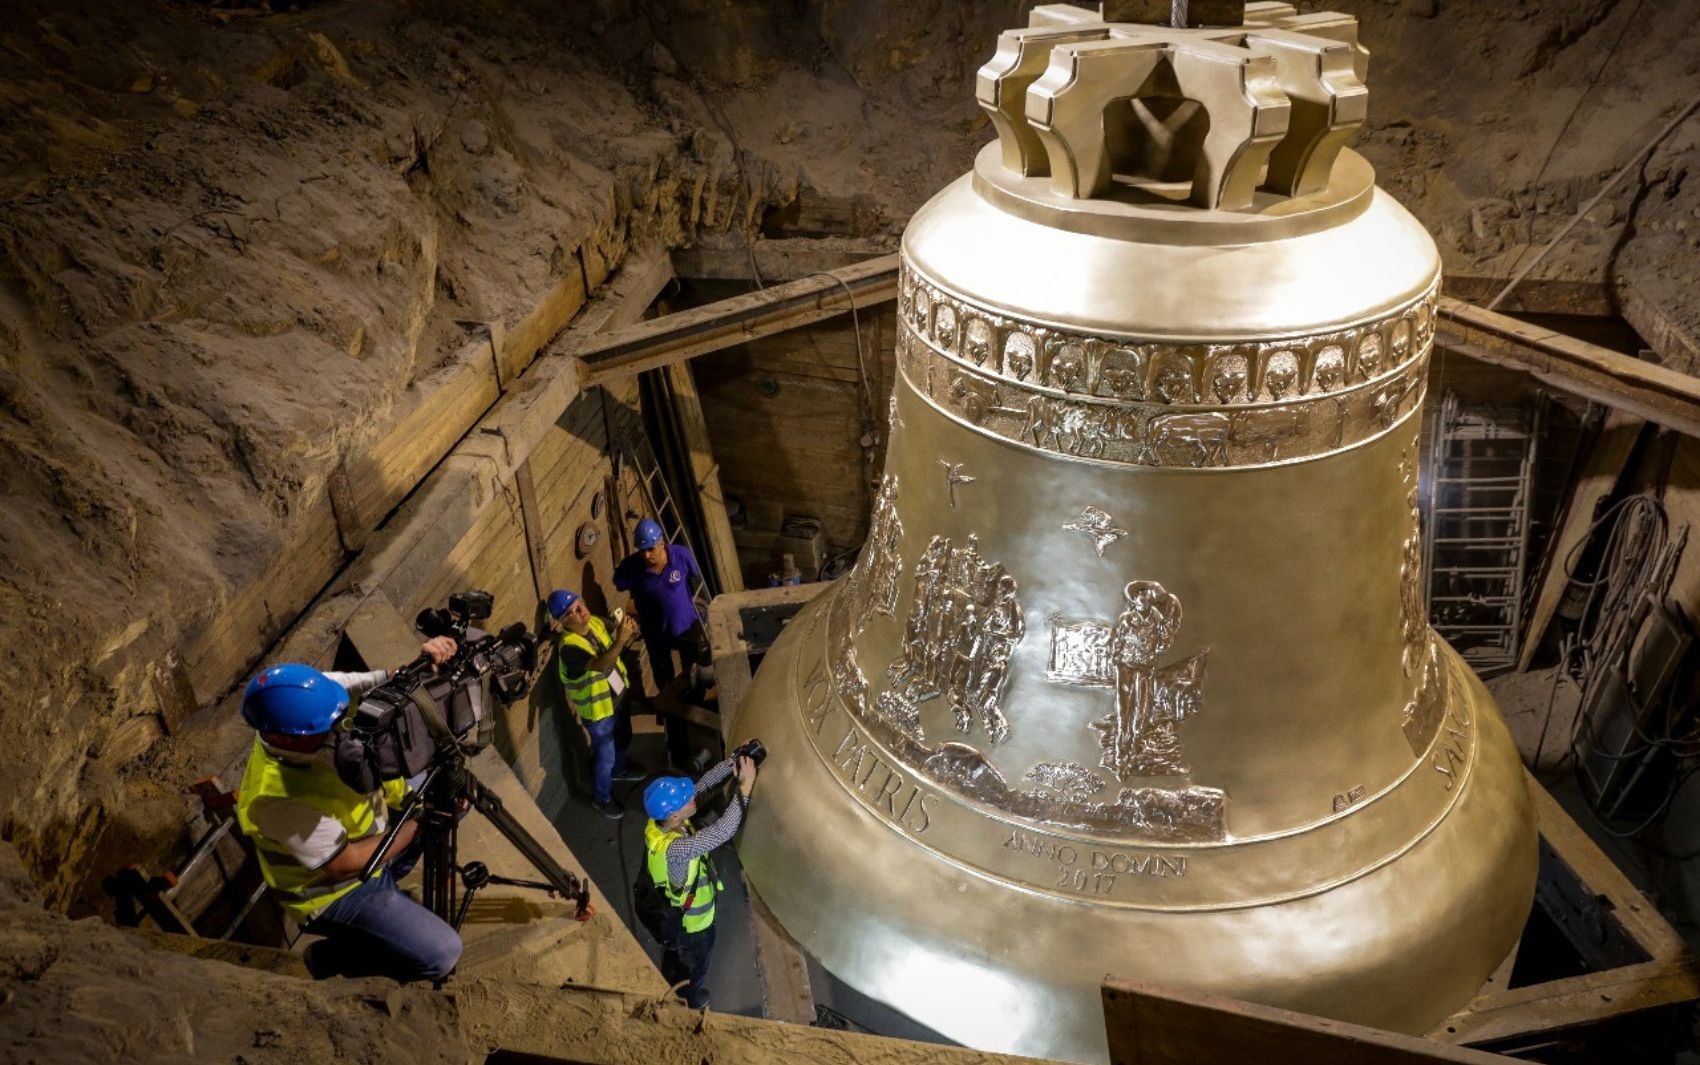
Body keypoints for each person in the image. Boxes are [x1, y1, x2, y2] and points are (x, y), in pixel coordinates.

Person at [234, 638, 463, 983]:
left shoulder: (306, 699)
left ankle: (393, 897)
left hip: (373, 833)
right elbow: (345, 863)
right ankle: (332, 957)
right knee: (441, 954)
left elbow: (365, 683)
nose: (341, 723)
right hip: (336, 890)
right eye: (330, 725)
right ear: (290, 738)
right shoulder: (274, 800)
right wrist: (421, 824)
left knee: (454, 793)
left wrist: (415, 665)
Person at [641, 748, 758, 1009]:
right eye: (686, 799)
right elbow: (723, 831)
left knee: (676, 960)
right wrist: (745, 788)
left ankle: (672, 977)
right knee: (695, 965)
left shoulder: (659, 823)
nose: (692, 797)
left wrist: (733, 761)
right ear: (674, 815)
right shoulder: (677, 850)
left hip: (678, 920)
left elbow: (703, 786)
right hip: (694, 926)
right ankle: (689, 1000)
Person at [615, 518, 706, 769]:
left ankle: (694, 707)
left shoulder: (681, 556)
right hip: (655, 631)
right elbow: (619, 583)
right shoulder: (631, 567)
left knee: (694, 668)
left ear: (662, 543)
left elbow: (695, 579)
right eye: (642, 550)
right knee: (662, 671)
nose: (646, 555)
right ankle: (670, 713)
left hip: (686, 625)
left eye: (651, 548)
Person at [548, 587, 644, 819]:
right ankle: (602, 798)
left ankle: (620, 770)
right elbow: (601, 664)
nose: (581, 611)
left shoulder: (596, 623)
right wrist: (621, 640)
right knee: (605, 756)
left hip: (617, 699)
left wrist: (626, 631)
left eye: (580, 604)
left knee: (622, 737)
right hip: (600, 712)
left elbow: (613, 640)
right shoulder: (570, 648)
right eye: (573, 612)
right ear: (563, 621)